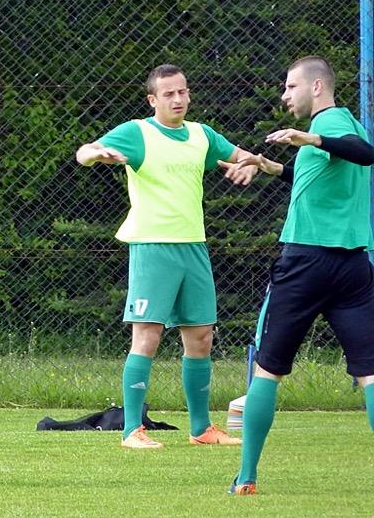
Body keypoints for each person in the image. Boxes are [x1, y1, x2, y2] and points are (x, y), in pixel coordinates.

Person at [75, 63, 257, 449]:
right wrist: (96, 154)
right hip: (152, 247)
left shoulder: (202, 135)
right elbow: (84, 152)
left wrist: (248, 166)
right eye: (169, 93)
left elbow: (242, 156)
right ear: (152, 100)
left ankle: (201, 429)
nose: (178, 99)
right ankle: (131, 431)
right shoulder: (137, 132)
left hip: (194, 246)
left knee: (201, 337)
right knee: (148, 335)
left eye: (182, 91)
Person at [229, 56, 374, 495]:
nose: (284, 95)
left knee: (267, 371)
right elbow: (318, 173)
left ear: (316, 86)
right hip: (352, 267)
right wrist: (271, 166)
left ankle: (246, 477)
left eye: (291, 86)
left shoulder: (330, 124)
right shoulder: (341, 125)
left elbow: (365, 154)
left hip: (306, 263)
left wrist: (309, 136)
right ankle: (245, 477)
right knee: (370, 373)